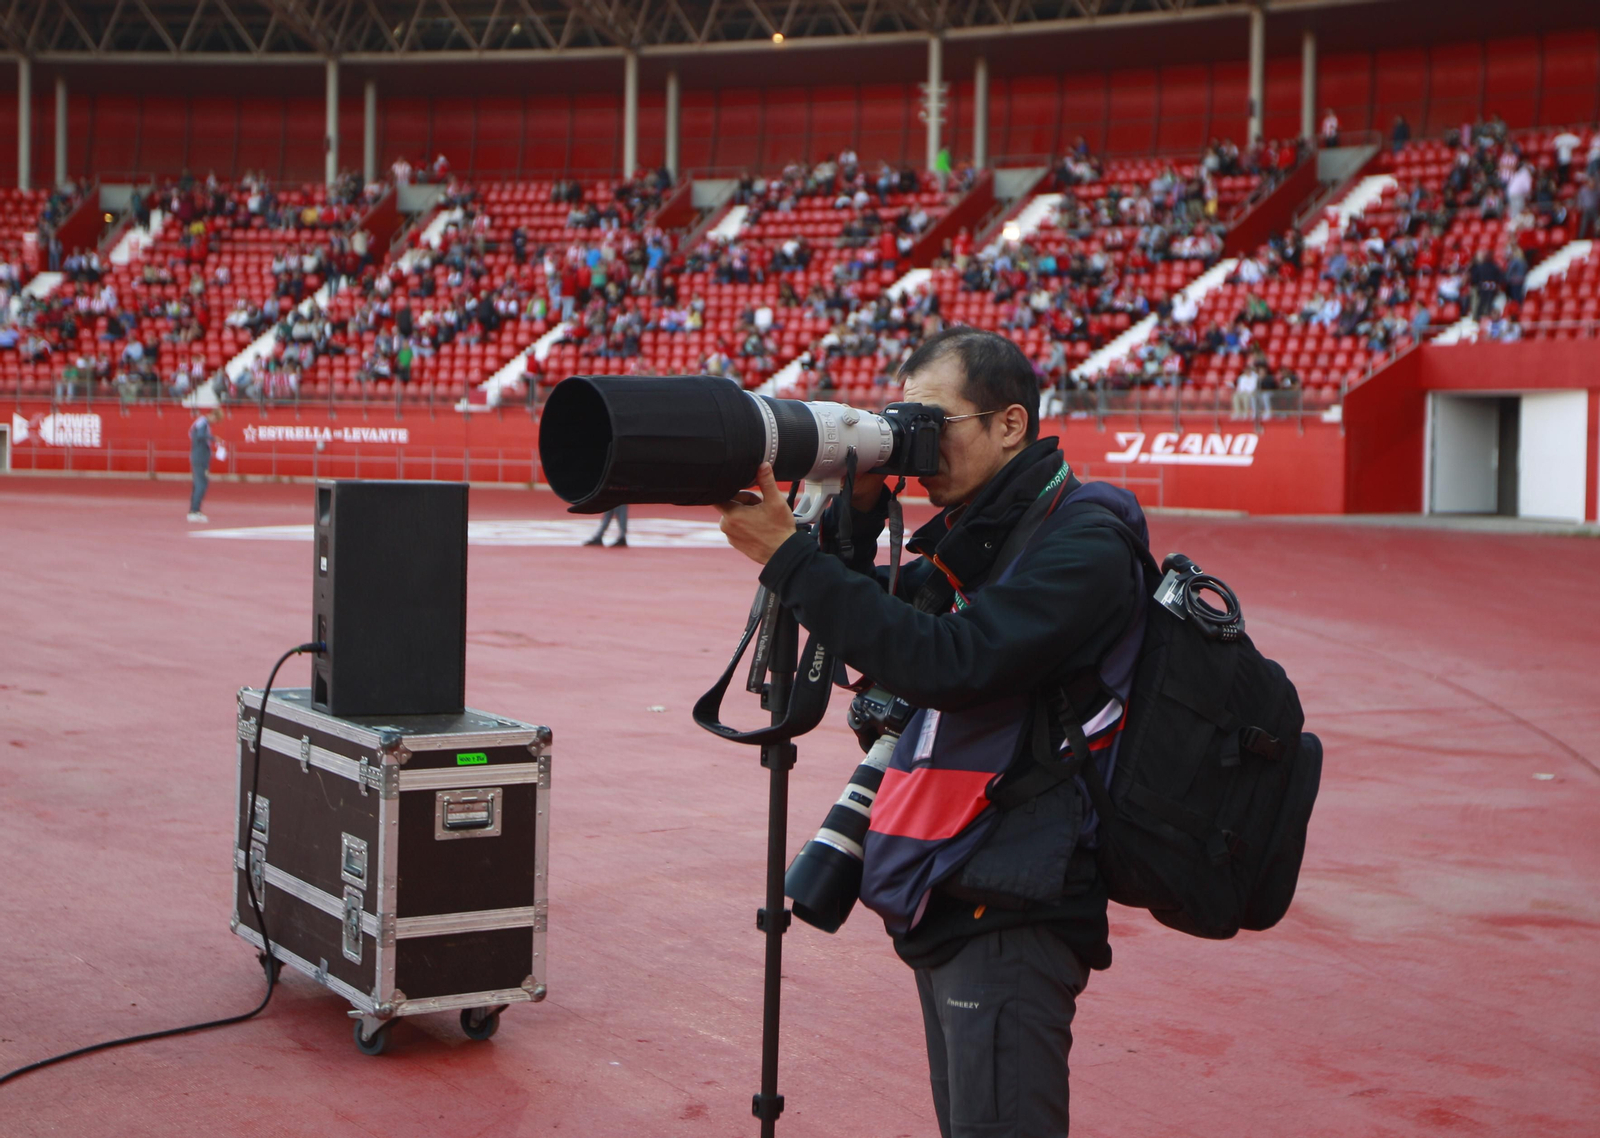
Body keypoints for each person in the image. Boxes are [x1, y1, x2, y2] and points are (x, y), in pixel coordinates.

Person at [716, 327, 1144, 1137]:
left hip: (1018, 902)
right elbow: (876, 622)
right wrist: (859, 503)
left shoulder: (1084, 539)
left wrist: (788, 559)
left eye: (933, 420)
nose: (918, 440)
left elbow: (953, 662)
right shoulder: (982, 540)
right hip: (950, 883)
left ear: (1009, 425)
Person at [187, 408, 222, 522]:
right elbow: (200, 436)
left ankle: (193, 510)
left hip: (198, 455)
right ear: (213, 416)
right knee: (201, 484)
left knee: (198, 484)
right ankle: (195, 511)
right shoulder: (203, 423)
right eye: (216, 420)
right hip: (200, 457)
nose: (215, 423)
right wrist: (213, 438)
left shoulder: (201, 422)